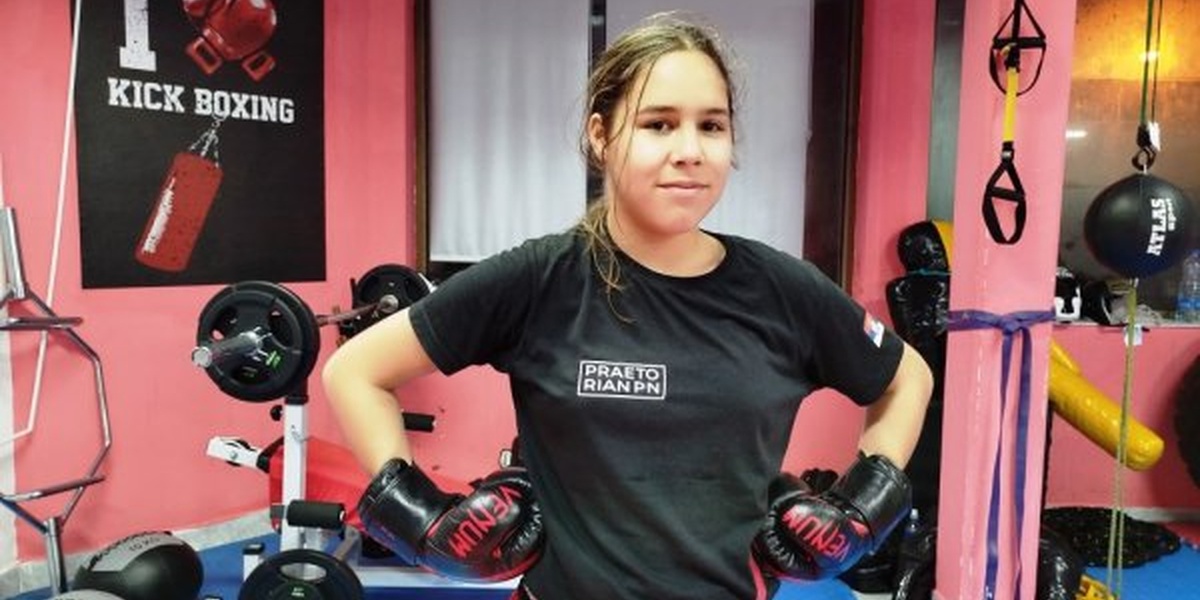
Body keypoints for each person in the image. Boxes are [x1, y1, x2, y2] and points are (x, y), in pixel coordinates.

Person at [322, 12, 933, 600]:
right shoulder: (542, 279)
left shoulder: (784, 291)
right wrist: (420, 522)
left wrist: (861, 512)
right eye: (658, 124)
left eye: (711, 126)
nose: (690, 150)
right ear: (600, 136)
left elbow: (908, 380)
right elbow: (355, 371)